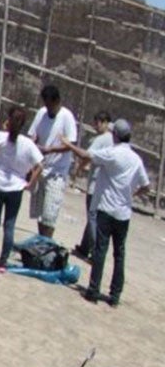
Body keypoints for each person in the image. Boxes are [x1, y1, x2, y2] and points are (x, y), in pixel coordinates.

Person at [82, 119, 150, 307]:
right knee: (119, 253)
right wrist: (132, 194)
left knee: (100, 250)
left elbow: (87, 154)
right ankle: (115, 295)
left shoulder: (113, 153)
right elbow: (146, 186)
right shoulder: (136, 159)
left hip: (106, 208)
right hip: (123, 213)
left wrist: (66, 145)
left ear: (115, 136)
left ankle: (94, 290)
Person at [0, 104, 41, 270]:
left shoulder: (1, 137)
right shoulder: (27, 143)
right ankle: (3, 261)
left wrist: (3, 129)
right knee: (9, 224)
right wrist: (31, 183)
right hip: (16, 187)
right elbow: (40, 165)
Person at [26, 83, 79, 235]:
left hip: (57, 172)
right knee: (40, 212)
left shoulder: (66, 117)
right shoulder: (41, 113)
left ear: (57, 102)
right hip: (40, 169)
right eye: (46, 105)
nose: (48, 109)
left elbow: (71, 144)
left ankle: (46, 243)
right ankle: (41, 240)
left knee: (50, 214)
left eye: (51, 105)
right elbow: (33, 135)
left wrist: (50, 150)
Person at [74, 110, 114, 261]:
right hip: (104, 184)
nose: (96, 126)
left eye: (98, 122)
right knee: (93, 215)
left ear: (105, 123)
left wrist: (78, 168)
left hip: (95, 184)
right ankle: (85, 247)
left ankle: (95, 252)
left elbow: (87, 155)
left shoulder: (101, 139)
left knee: (92, 217)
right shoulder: (113, 139)